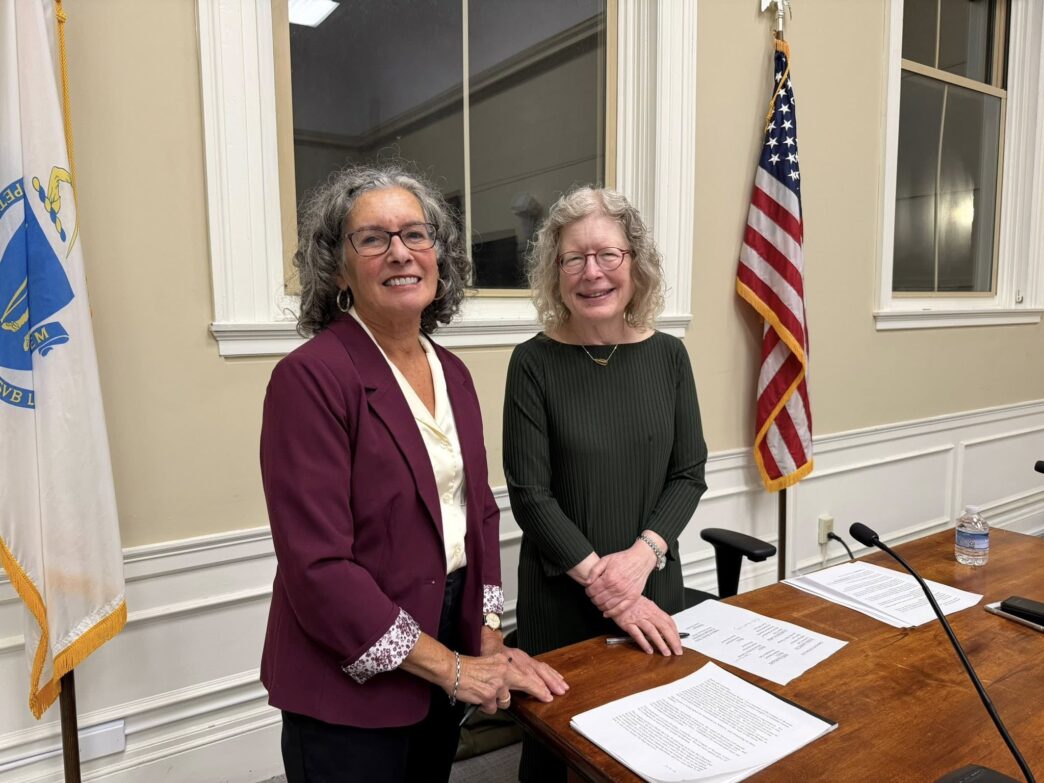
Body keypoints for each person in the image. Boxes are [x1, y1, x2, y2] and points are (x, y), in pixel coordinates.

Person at [260, 163, 567, 783]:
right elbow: (319, 569)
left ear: (439, 255)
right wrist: (454, 669)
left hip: (444, 642)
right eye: (373, 238)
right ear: (339, 268)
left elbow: (477, 510)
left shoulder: (452, 371)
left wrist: (483, 635)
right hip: (347, 679)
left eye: (416, 234)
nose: (400, 252)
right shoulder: (310, 378)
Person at [503, 186, 708, 781]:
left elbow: (688, 472)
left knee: (652, 744)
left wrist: (641, 562)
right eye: (574, 259)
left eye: (608, 256)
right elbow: (530, 496)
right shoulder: (532, 363)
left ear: (635, 264)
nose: (592, 273)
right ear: (555, 271)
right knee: (554, 754)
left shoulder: (670, 357)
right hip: (561, 599)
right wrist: (607, 584)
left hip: (653, 585)